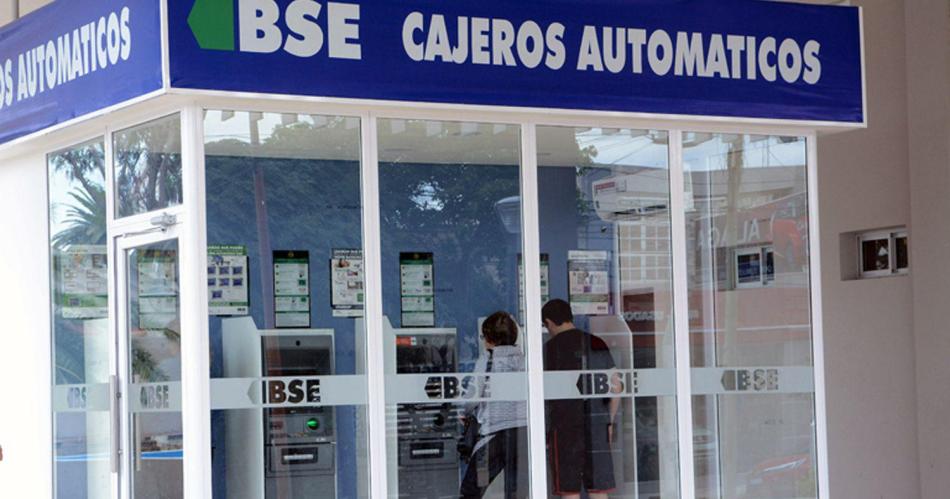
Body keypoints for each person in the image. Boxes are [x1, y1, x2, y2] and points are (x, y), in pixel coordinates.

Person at [542, 299, 619, 499]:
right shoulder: (596, 342)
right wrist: (608, 421)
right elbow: (616, 385)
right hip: (596, 424)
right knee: (598, 490)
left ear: (549, 322)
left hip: (564, 428)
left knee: (570, 491)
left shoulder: (549, 349)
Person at [458, 311, 528, 499]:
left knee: (471, 490)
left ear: (489, 338)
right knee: (517, 492)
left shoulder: (488, 359)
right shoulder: (524, 360)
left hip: (494, 437)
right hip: (522, 435)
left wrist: (463, 411)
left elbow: (472, 397)